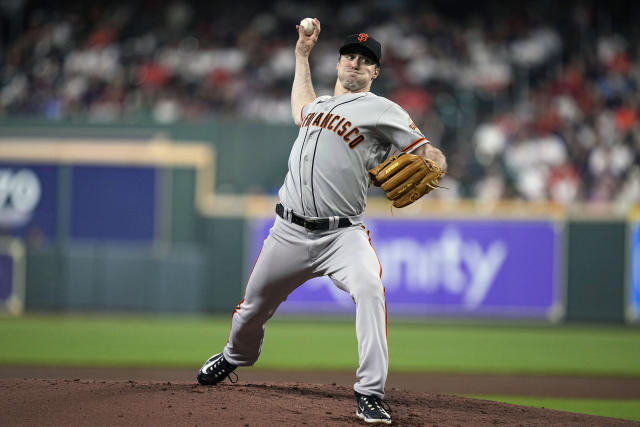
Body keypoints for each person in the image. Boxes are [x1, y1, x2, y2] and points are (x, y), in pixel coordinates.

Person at [197, 18, 447, 425]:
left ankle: (370, 393)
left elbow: (428, 152)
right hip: (287, 232)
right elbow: (301, 104)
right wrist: (301, 55)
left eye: (365, 61)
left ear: (375, 72)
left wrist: (435, 165)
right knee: (251, 310)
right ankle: (233, 357)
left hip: (342, 236)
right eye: (350, 56)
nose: (355, 63)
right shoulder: (319, 108)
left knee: (369, 289)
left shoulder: (383, 109)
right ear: (339, 63)